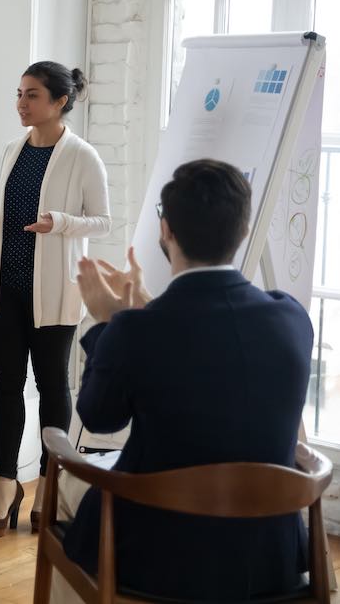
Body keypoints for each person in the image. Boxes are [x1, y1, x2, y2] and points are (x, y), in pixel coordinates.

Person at [54, 159, 312, 601]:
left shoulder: (137, 332)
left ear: (166, 230)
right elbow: (211, 345)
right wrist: (130, 320)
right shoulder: (291, 317)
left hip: (155, 556)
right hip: (271, 557)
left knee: (64, 486)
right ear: (244, 230)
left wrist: (105, 325)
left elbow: (97, 418)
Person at [0, 61, 109, 536]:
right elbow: (10, 214)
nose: (21, 103)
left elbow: (102, 221)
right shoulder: (12, 150)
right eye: (19, 94)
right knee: (5, 389)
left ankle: (49, 485)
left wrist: (60, 222)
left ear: (60, 102)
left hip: (54, 295)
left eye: (32, 95)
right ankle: (6, 487)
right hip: (4, 292)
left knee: (52, 390)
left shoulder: (83, 156)